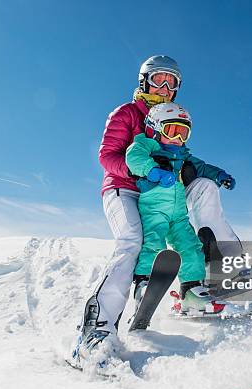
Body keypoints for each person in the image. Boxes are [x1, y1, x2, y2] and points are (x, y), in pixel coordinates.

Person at [74, 55, 241, 360]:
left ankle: (220, 271)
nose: (164, 87)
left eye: (172, 81)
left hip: (168, 192)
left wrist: (205, 172)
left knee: (204, 186)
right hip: (125, 188)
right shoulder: (126, 113)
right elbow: (108, 156)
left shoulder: (174, 118)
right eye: (158, 79)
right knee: (132, 241)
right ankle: (96, 329)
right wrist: (145, 171)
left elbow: (190, 161)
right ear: (144, 81)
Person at [127, 102, 233, 314]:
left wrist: (220, 175)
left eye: (183, 133)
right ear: (154, 128)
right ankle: (144, 283)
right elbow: (133, 157)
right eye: (172, 131)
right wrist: (152, 170)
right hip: (154, 208)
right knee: (153, 243)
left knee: (191, 247)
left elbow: (203, 167)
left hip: (178, 213)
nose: (178, 139)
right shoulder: (146, 145)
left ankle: (192, 291)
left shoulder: (183, 155)